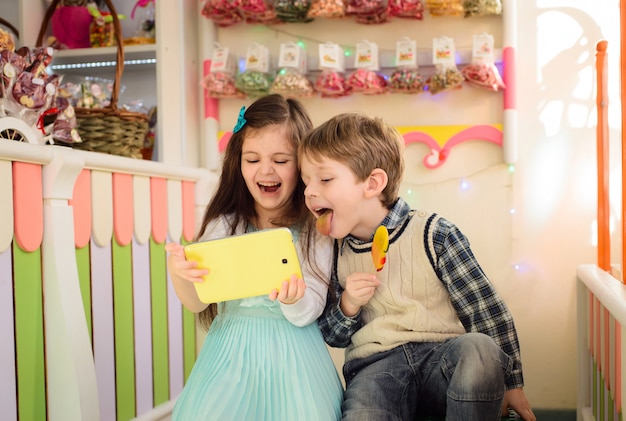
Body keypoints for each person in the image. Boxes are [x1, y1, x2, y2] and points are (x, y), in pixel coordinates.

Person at [298, 112, 536, 421]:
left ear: (372, 183)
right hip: (375, 370)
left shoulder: (435, 233)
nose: (309, 192)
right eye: (305, 182)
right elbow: (332, 335)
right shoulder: (332, 251)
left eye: (325, 179)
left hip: (442, 358)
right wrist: (348, 305)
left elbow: (485, 309)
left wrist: (513, 384)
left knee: (479, 348)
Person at [165, 94, 343, 421]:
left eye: (281, 159)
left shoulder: (314, 229)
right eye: (252, 159)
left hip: (296, 361)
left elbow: (310, 309)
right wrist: (179, 271)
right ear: (238, 163)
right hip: (229, 358)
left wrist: (292, 300)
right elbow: (198, 302)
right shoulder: (225, 224)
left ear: (302, 164)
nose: (266, 170)